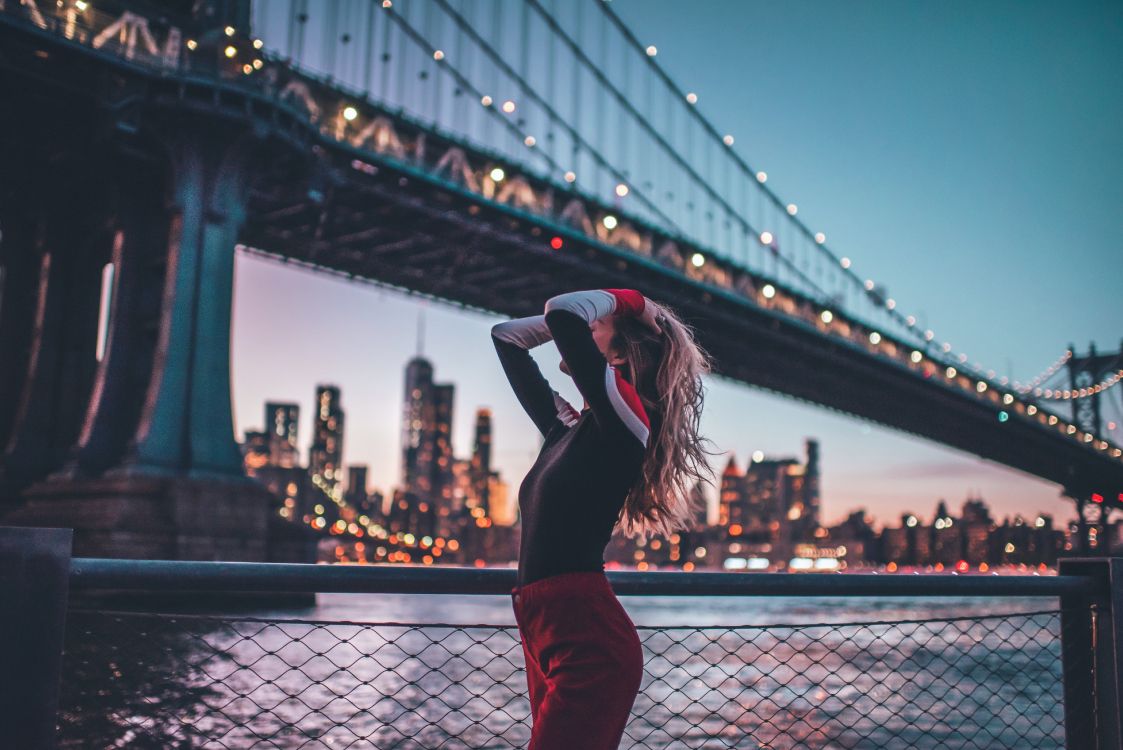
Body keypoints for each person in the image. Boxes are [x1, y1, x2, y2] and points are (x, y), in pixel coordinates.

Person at [491, 288, 719, 749]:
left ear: (623, 348)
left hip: (589, 643)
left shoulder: (628, 419)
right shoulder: (568, 428)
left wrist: (635, 302)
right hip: (544, 631)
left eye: (602, 319)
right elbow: (506, 338)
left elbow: (564, 311)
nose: (592, 320)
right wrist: (614, 316)